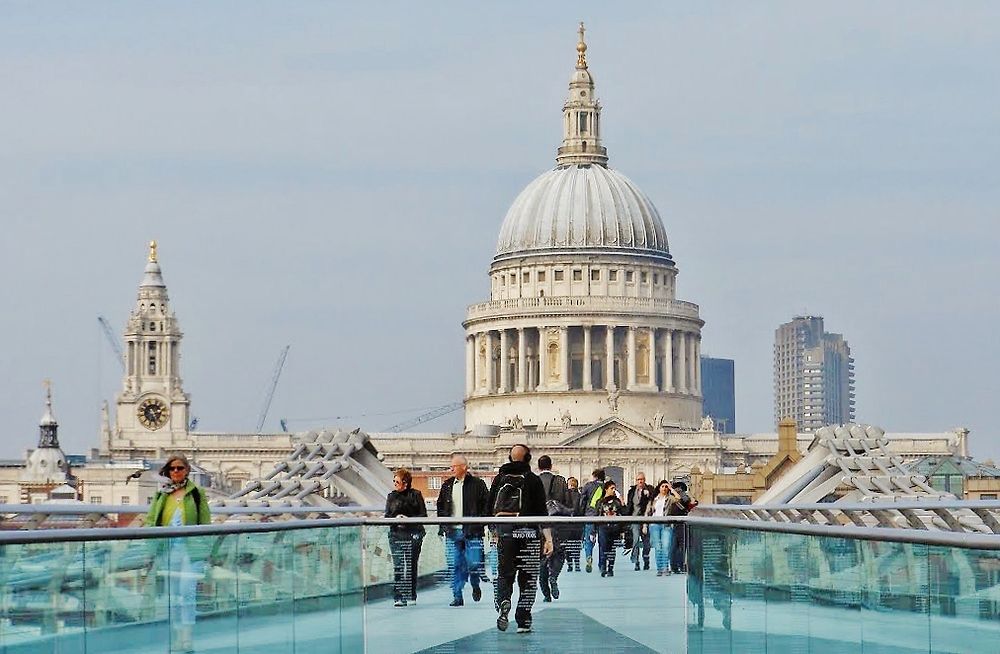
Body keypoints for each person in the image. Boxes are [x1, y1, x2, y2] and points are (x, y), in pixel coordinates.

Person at [144, 453, 211, 654]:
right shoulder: (161, 495)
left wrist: (207, 551)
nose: (175, 472)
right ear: (167, 472)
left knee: (187, 593)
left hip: (192, 551)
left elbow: (205, 523)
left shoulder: (197, 493)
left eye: (180, 468)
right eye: (172, 469)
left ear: (187, 470)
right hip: (168, 550)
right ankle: (175, 638)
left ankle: (187, 639)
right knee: (172, 596)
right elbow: (151, 522)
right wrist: (150, 551)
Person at [488, 444, 554, 634]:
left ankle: (503, 601)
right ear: (528, 459)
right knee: (528, 578)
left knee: (505, 575)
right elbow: (542, 512)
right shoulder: (533, 480)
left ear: (509, 458)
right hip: (529, 535)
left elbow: (488, 509)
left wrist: (495, 532)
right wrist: (548, 539)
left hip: (506, 534)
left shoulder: (499, 479)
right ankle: (524, 620)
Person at [436, 454, 489, 606]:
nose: (451, 468)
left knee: (474, 564)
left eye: (454, 466)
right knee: (454, 564)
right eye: (451, 466)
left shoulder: (478, 484)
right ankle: (457, 596)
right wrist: (443, 527)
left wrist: (479, 523)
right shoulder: (447, 485)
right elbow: (441, 508)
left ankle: (475, 583)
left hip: (472, 532)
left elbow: (486, 505)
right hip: (453, 533)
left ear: (464, 467)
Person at [385, 468, 427, 607]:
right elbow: (387, 516)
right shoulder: (391, 496)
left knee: (410, 565)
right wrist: (396, 518)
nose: (395, 483)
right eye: (394, 481)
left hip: (413, 533)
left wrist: (408, 519)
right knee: (398, 565)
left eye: (397, 481)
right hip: (396, 534)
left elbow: (423, 515)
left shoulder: (416, 495)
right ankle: (398, 597)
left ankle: (410, 594)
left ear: (405, 483)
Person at [536, 455, 573, 602]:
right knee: (559, 553)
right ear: (551, 466)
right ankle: (554, 576)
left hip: (539, 523)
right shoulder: (561, 480)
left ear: (539, 467)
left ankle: (546, 595)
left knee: (542, 558)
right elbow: (567, 502)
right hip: (557, 522)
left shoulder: (534, 481)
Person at [577, 468, 606, 573]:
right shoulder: (606, 487)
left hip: (589, 516)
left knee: (588, 540)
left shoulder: (588, 485)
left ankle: (589, 556)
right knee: (602, 541)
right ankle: (602, 564)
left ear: (595, 476)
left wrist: (580, 514)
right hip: (602, 517)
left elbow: (582, 501)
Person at [625, 472, 654, 571]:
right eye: (638, 479)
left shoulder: (649, 489)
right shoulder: (632, 491)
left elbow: (651, 503)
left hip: (645, 519)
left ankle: (646, 558)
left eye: (642, 479)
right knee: (635, 540)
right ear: (636, 481)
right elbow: (629, 505)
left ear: (644, 480)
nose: (640, 481)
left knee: (647, 542)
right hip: (634, 518)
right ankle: (636, 561)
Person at [647, 479, 677, 576]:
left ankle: (665, 568)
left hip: (666, 524)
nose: (664, 488)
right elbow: (648, 512)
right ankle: (660, 568)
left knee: (666, 546)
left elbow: (678, 498)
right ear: (659, 488)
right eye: (662, 486)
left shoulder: (670, 498)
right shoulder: (654, 499)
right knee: (658, 547)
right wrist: (644, 524)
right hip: (654, 524)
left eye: (666, 487)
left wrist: (672, 489)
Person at [596, 479, 624, 577]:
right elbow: (596, 515)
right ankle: (603, 567)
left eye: (614, 488)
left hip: (614, 527)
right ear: (606, 489)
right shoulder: (600, 502)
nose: (613, 490)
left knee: (612, 548)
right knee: (603, 546)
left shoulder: (617, 501)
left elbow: (622, 513)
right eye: (612, 488)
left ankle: (610, 568)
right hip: (603, 527)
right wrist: (593, 530)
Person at [668, 481, 693, 573]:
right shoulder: (677, 497)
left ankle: (675, 566)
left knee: (675, 546)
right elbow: (687, 502)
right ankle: (680, 565)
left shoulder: (675, 497)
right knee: (680, 545)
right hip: (680, 523)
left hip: (676, 523)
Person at [563, 476, 584, 571]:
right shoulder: (580, 495)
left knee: (568, 545)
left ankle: (570, 564)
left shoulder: (564, 495)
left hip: (567, 523)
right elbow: (581, 509)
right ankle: (577, 563)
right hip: (578, 524)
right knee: (576, 545)